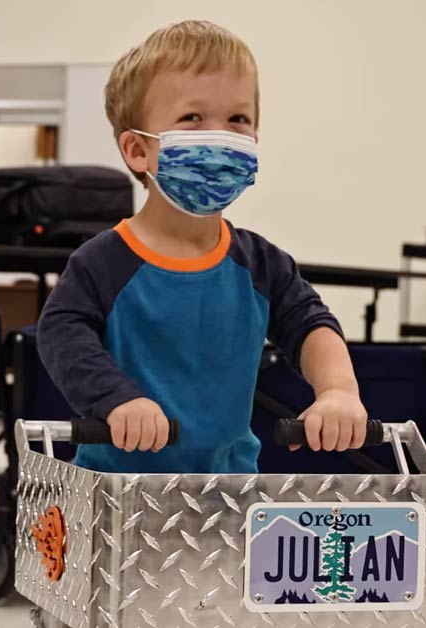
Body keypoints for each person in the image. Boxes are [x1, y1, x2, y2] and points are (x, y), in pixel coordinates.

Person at [37, 20, 367, 473]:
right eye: (193, 118)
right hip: (118, 492)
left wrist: (338, 392)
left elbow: (310, 324)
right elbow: (62, 333)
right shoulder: (103, 262)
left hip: (231, 494)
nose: (221, 136)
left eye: (238, 120)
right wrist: (115, 400)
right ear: (137, 150)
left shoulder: (259, 264)